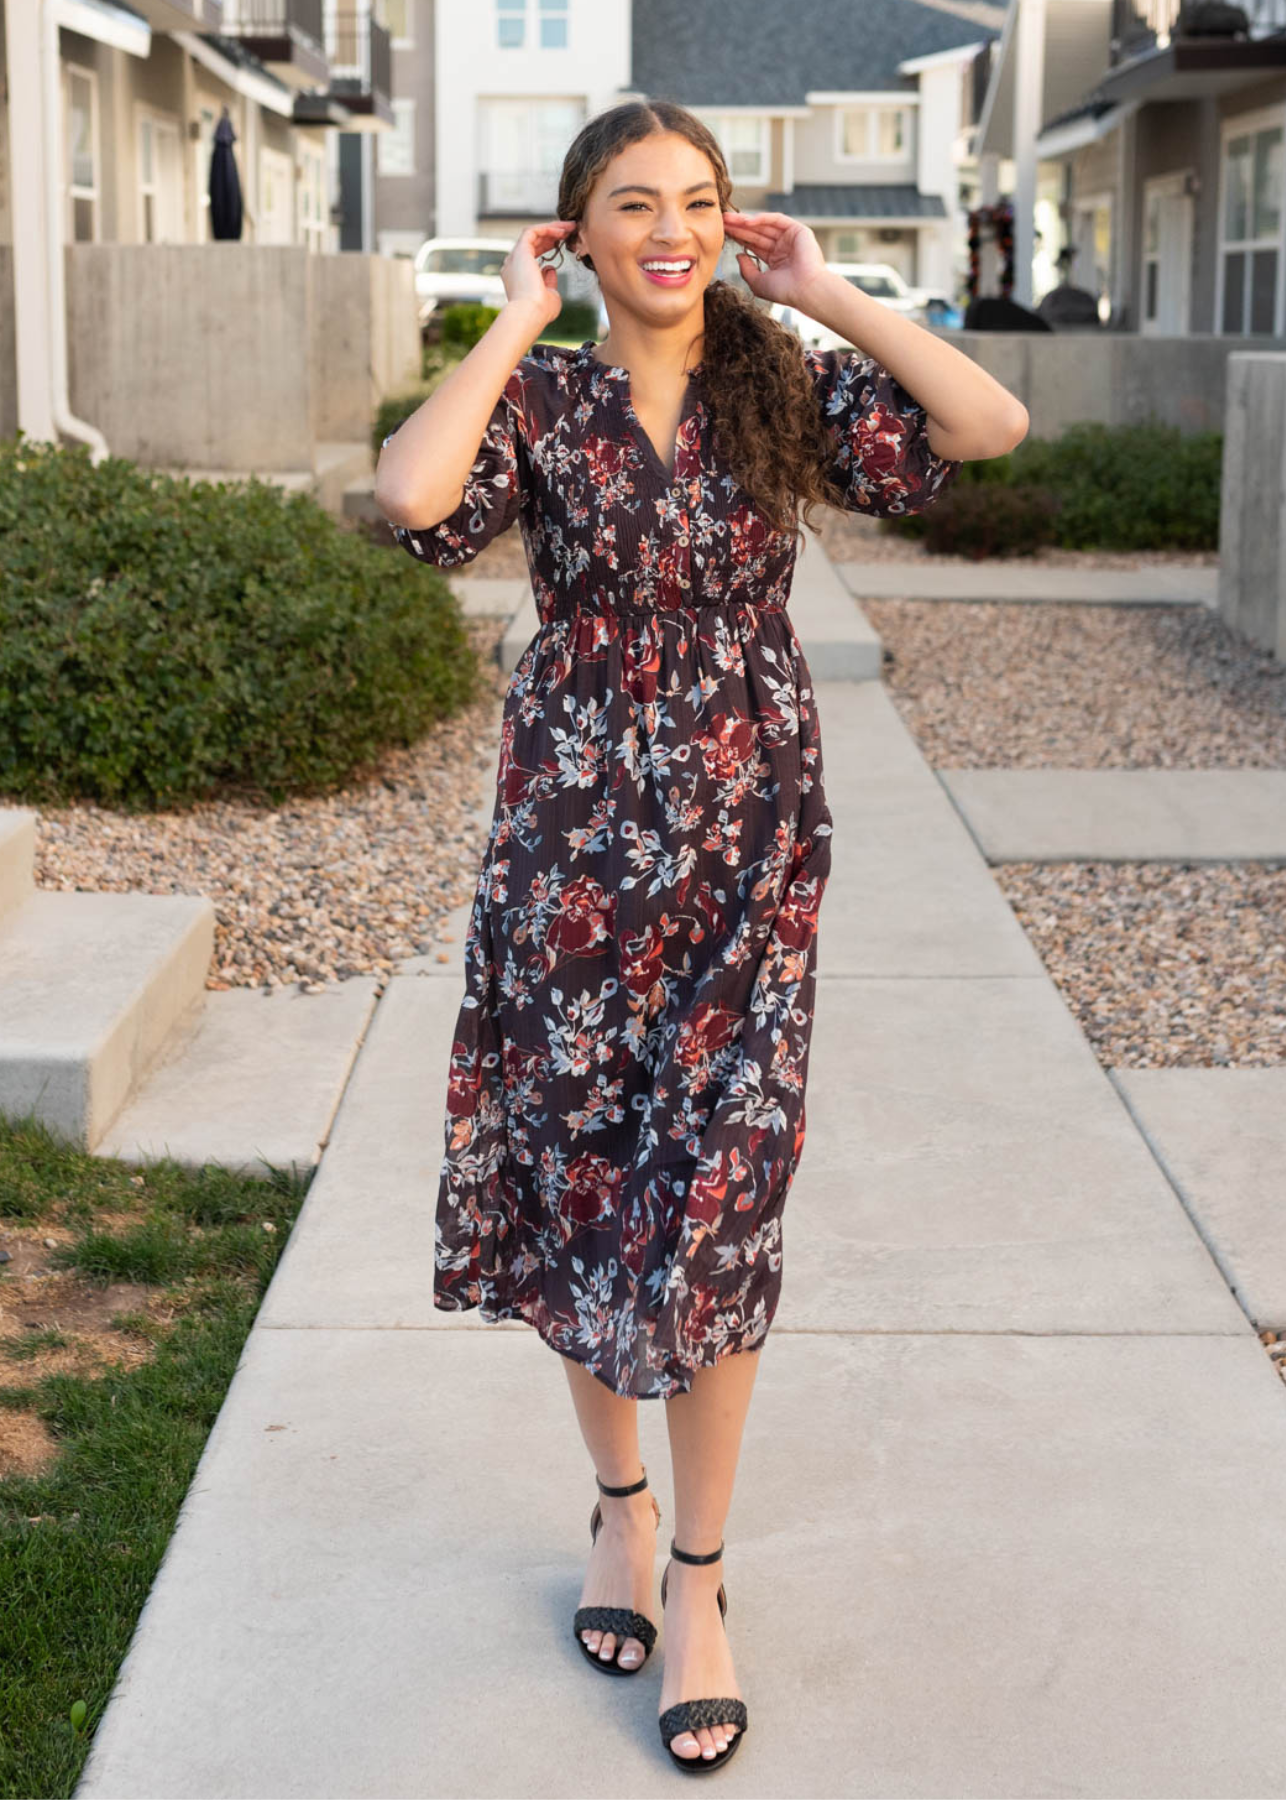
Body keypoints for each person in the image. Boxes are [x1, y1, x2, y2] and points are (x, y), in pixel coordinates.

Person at [375, 100, 1027, 1775]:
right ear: (576, 232)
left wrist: (827, 289)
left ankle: (704, 1584)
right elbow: (409, 493)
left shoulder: (780, 387)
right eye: (629, 204)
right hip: (571, 853)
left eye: (699, 201)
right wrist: (518, 314)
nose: (669, 228)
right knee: (593, 1180)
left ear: (731, 225)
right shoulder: (542, 396)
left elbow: (988, 422)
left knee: (719, 1203)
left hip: (746, 855)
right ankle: (614, 1511)